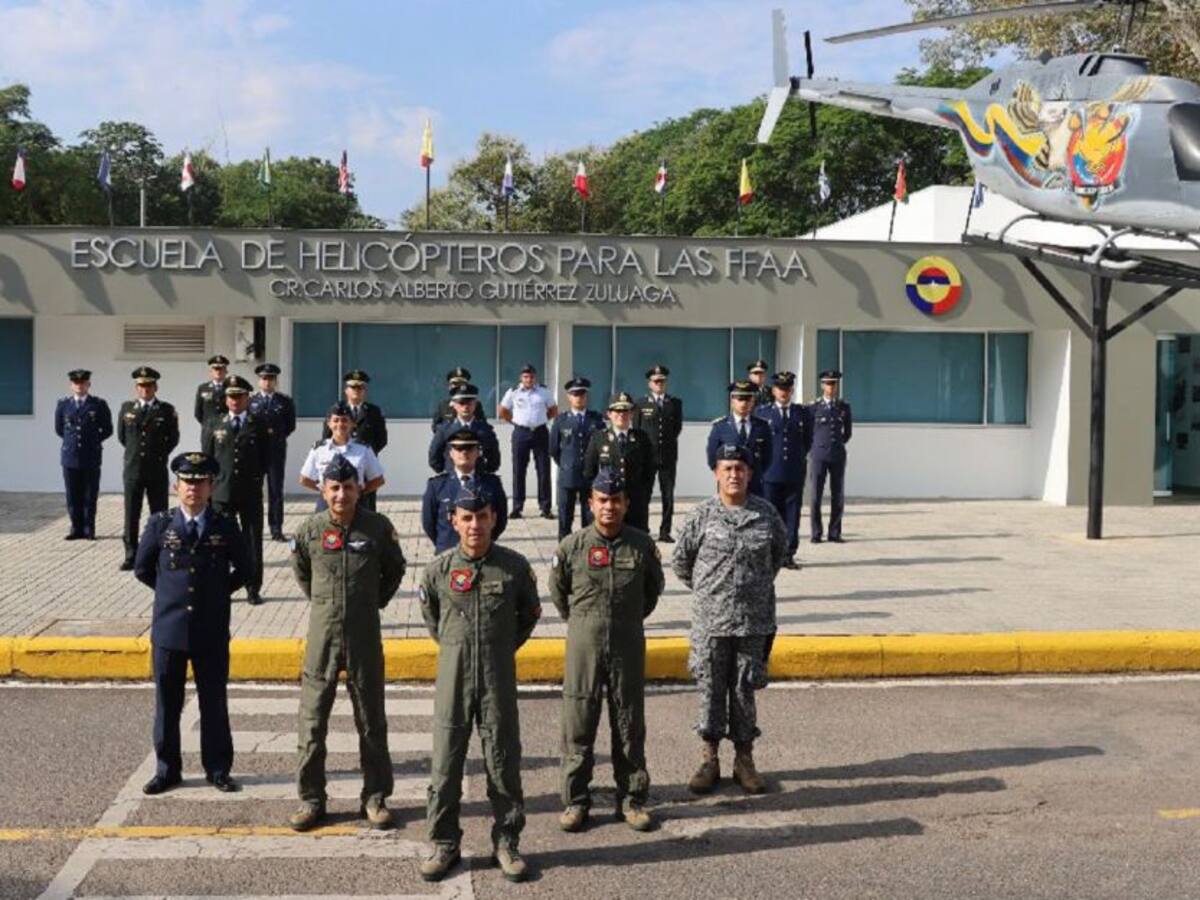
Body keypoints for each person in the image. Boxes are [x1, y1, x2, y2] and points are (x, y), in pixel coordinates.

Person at [418, 486, 541, 884]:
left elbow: (528, 616)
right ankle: (444, 843)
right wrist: (459, 650)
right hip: (453, 680)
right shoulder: (437, 571)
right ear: (453, 520)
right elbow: (434, 620)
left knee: (503, 761)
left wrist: (499, 648)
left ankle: (507, 841)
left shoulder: (514, 568)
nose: (475, 525)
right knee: (446, 764)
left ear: (493, 518)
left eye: (482, 516)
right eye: (466, 518)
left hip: (497, 678)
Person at [288, 455, 407, 832]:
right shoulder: (310, 529)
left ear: (360, 489)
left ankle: (374, 797)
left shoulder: (377, 528)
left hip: (364, 637)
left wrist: (371, 601)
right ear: (323, 490)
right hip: (322, 638)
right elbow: (303, 572)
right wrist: (326, 604)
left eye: (348, 487)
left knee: (371, 721)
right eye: (334, 488)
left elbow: (395, 570)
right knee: (312, 723)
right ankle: (311, 799)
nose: (341, 495)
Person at [551, 467, 664, 834]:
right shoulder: (572, 546)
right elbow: (559, 592)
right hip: (584, 642)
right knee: (578, 723)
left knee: (629, 722)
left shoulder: (641, 545)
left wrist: (626, 619)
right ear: (590, 503)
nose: (609, 507)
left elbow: (651, 592)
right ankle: (575, 801)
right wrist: (585, 622)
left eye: (616, 500)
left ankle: (631, 799)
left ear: (626, 503)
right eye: (602, 500)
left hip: (628, 641)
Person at [672, 444, 786, 797]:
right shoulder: (701, 516)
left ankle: (744, 760)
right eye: (727, 468)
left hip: (753, 622)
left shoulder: (766, 515)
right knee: (710, 691)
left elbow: (777, 557)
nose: (734, 474)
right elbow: (681, 562)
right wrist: (712, 593)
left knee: (743, 690)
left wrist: (750, 590)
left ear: (750, 473)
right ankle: (709, 759)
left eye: (740, 468)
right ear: (716, 473)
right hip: (712, 622)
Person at [134, 451, 250, 796]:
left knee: (213, 702)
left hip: (210, 629)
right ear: (176, 486)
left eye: (200, 483)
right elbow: (143, 569)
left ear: (212, 487)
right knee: (167, 704)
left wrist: (215, 594)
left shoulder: (226, 526)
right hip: (169, 630)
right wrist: (170, 596)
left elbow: (246, 569)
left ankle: (217, 769)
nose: (193, 489)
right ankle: (167, 770)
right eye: (187, 482)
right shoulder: (160, 524)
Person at [202, 375, 270, 605]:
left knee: (252, 542)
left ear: (247, 397)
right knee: (220, 543)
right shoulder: (213, 423)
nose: (234, 400)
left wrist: (256, 479)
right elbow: (208, 459)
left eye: (239, 396)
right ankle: (223, 587)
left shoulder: (258, 423)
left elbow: (267, 458)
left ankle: (253, 587)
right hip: (222, 493)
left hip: (250, 492)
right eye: (231, 396)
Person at [118, 366, 180, 571]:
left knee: (159, 514)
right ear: (136, 388)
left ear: (156, 387)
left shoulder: (166, 410)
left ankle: (159, 553)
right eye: (141, 386)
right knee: (131, 514)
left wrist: (159, 455)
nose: (145, 389)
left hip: (156, 469)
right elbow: (123, 438)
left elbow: (173, 438)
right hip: (133, 469)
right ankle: (131, 554)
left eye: (149, 385)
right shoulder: (127, 409)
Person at [757, 372, 812, 569]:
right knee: (770, 514)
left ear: (792, 390)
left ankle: (788, 554)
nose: (784, 392)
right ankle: (770, 553)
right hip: (771, 472)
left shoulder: (803, 413)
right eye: (780, 388)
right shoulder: (763, 413)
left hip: (794, 472)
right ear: (773, 390)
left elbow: (807, 442)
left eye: (787, 388)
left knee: (792, 515)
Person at [422, 428, 507, 553]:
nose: (464, 453)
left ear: (478, 452)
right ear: (451, 453)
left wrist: (483, 542)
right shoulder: (436, 486)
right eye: (458, 448)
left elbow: (500, 521)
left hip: (482, 553)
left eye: (470, 448)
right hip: (448, 554)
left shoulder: (492, 484)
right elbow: (429, 524)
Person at [583, 391, 655, 533]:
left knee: (636, 542)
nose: (621, 414)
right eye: (617, 410)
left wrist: (643, 496)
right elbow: (589, 472)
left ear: (632, 414)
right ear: (609, 414)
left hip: (635, 503)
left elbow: (649, 472)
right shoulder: (599, 438)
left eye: (626, 410)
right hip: (609, 502)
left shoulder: (642, 438)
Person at [55, 368, 113, 541]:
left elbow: (108, 429)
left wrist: (94, 441)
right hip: (70, 456)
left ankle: (89, 528)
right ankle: (76, 528)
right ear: (71, 385)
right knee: (72, 494)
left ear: (89, 384)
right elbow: (59, 429)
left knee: (90, 494)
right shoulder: (63, 405)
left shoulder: (98, 405)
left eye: (83, 383)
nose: (79, 386)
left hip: (91, 456)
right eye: (76, 383)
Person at [498, 362, 557, 520]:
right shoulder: (513, 392)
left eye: (531, 376)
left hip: (540, 432)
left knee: (544, 470)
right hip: (521, 433)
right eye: (525, 376)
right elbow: (502, 410)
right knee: (519, 471)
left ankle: (545, 507)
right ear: (521, 378)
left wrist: (542, 420)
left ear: (535, 377)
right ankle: (517, 507)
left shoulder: (544, 392)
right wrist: (516, 422)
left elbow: (553, 410)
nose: (528, 379)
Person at [322, 369, 388, 511]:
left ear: (365, 391)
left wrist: (364, 454)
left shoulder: (374, 412)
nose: (356, 390)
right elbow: (327, 437)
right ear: (346, 390)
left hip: (365, 467)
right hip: (339, 466)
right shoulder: (335, 410)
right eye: (353, 387)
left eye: (360, 387)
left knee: (367, 505)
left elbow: (381, 439)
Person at [549, 377, 605, 540]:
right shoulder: (561, 420)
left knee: (589, 518)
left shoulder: (596, 420)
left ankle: (588, 549)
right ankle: (564, 551)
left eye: (582, 394)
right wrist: (566, 465)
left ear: (586, 396)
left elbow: (602, 446)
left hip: (590, 476)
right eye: (575, 394)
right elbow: (554, 449)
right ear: (569, 397)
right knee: (565, 518)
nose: (578, 397)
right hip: (568, 475)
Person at [300, 403, 385, 509]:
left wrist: (360, 492)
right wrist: (325, 490)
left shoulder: (363, 449)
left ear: (353, 424)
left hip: (356, 504)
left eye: (344, 420)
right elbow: (304, 479)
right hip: (327, 505)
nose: (340, 424)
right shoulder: (319, 449)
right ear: (329, 424)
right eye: (336, 420)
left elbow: (378, 479)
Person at [634, 365, 683, 543]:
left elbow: (677, 428)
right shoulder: (641, 404)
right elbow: (637, 430)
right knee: (644, 495)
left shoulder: (675, 403)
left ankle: (665, 531)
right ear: (650, 384)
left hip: (668, 456)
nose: (659, 384)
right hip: (647, 457)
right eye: (656, 381)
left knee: (668, 496)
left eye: (662, 381)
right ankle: (643, 529)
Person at [249, 363, 297, 542]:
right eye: (264, 378)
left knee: (276, 490)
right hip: (255, 451)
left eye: (270, 379)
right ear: (259, 381)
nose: (267, 382)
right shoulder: (251, 401)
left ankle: (276, 528)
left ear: (275, 381)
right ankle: (255, 527)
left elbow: (290, 426)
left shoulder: (284, 401)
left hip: (275, 451)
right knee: (254, 490)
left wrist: (276, 436)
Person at [705, 380, 772, 497]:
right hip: (729, 483)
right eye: (740, 399)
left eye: (747, 399)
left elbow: (768, 456)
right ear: (732, 401)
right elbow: (712, 456)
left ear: (753, 401)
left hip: (754, 483)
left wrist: (755, 473)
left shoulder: (762, 426)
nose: (743, 403)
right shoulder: (720, 426)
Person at [810, 369, 853, 544]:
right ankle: (816, 532)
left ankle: (834, 532)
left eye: (833, 383)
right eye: (828, 383)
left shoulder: (843, 407)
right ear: (822, 385)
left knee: (838, 494)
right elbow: (808, 432)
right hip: (819, 455)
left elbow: (847, 433)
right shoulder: (814, 407)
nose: (831, 387)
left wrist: (838, 444)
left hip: (837, 454)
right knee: (815, 495)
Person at [428, 382, 501, 475]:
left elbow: (494, 456)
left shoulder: (485, 430)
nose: (466, 407)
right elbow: (434, 455)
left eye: (469, 403)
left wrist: (486, 473)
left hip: (478, 479)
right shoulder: (444, 430)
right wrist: (445, 472)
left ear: (475, 404)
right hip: (452, 478)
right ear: (454, 405)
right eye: (461, 403)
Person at [431, 366, 488, 432]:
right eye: (455, 384)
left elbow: (483, 425)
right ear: (449, 387)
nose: (458, 387)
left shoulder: (475, 405)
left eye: (461, 384)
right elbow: (435, 427)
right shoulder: (443, 405)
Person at [193, 354, 229, 425]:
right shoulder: (203, 388)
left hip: (226, 428)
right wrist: (208, 425)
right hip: (209, 429)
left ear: (226, 371)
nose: (218, 372)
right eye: (215, 369)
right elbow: (198, 413)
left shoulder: (230, 388)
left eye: (221, 369)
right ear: (211, 371)